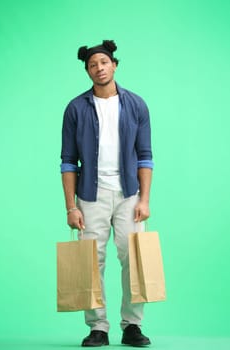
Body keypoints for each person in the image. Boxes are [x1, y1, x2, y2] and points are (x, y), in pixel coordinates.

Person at [60, 40, 154, 347]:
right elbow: (67, 161)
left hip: (129, 194)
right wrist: (70, 206)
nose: (98, 68)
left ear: (114, 64)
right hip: (90, 196)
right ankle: (98, 327)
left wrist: (144, 199)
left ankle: (132, 326)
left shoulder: (136, 104)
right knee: (90, 261)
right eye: (91, 65)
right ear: (87, 71)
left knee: (134, 259)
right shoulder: (75, 108)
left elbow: (145, 155)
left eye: (103, 62)